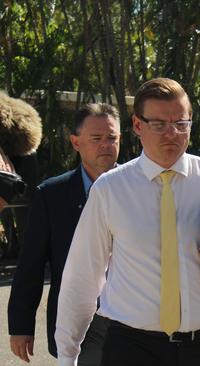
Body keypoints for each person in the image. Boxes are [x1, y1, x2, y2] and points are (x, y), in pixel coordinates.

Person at [54, 78, 200, 366]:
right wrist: (67, 355)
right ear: (137, 126)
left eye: (181, 123)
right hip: (132, 348)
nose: (171, 133)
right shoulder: (110, 189)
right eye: (159, 124)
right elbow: (83, 277)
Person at [8, 103, 120, 364]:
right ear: (75, 142)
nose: (106, 145)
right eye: (96, 138)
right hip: (76, 320)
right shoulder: (52, 195)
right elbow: (31, 264)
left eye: (112, 138)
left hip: (132, 321)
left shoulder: (140, 189)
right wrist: (21, 325)